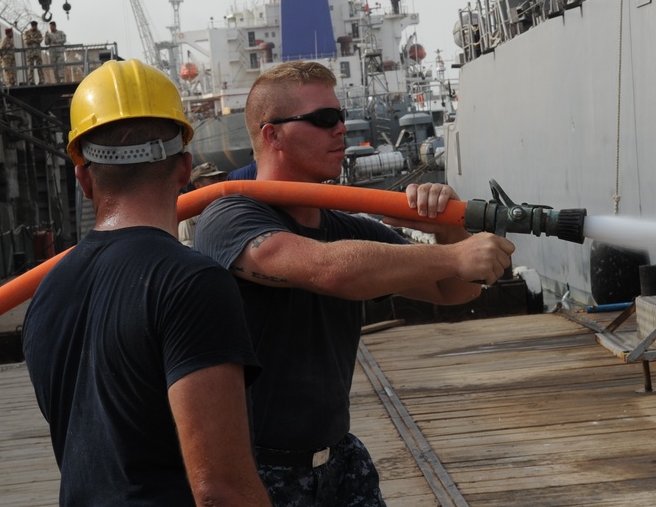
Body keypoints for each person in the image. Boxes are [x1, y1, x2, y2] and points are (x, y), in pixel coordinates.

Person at [194, 60, 515, 506]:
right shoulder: (229, 216)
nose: (341, 129)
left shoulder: (347, 227)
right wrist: (454, 254)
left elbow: (453, 292)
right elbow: (327, 269)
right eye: (325, 119)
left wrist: (448, 229)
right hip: (256, 470)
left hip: (338, 460)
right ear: (273, 135)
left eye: (340, 116)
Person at [23, 58, 270, 506]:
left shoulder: (47, 293)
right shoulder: (191, 285)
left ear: (83, 177)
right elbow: (220, 489)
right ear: (184, 167)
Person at [178, 162, 229, 246]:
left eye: (219, 178)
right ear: (198, 185)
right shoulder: (190, 217)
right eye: (212, 178)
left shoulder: (226, 205)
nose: (218, 182)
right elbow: (187, 245)